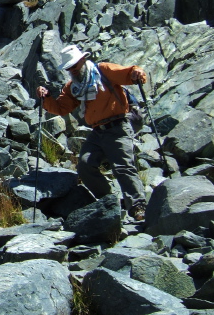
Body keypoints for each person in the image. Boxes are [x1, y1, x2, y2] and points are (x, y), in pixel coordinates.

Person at [36, 45, 148, 221]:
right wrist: (47, 97)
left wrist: (137, 73)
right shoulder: (73, 87)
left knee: (123, 167)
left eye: (74, 65)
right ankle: (109, 200)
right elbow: (61, 108)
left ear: (82, 60)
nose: (72, 70)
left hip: (118, 126)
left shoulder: (102, 70)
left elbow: (127, 73)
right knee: (85, 165)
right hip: (98, 131)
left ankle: (138, 207)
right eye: (69, 68)